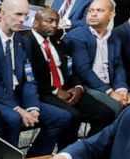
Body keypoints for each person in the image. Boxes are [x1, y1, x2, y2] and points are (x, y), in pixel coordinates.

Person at [0, 0, 72, 156]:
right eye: (18, 14)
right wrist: (18, 110)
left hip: (17, 96)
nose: (23, 20)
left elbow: (29, 79)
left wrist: (33, 107)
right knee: (14, 118)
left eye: (25, 15)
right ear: (3, 14)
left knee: (62, 117)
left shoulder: (23, 42)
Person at [24, 7, 113, 149]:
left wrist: (78, 87)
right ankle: (66, 154)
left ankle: (87, 151)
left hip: (68, 88)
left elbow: (70, 68)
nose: (54, 25)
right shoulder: (26, 43)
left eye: (56, 22)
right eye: (49, 21)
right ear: (36, 23)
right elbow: (29, 78)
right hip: (45, 93)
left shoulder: (58, 42)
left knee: (105, 113)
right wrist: (55, 91)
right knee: (73, 116)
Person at [63, 0, 130, 117]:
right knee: (116, 107)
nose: (93, 14)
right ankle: (100, 136)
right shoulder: (77, 36)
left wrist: (121, 88)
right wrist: (110, 92)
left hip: (109, 84)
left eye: (99, 10)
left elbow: (119, 66)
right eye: (91, 11)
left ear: (112, 14)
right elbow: (83, 71)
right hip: (86, 86)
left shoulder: (114, 38)